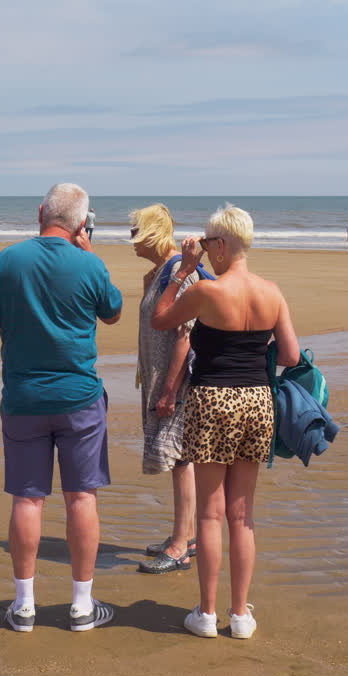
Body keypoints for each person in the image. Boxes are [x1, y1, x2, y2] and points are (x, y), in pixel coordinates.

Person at [0, 183, 123, 632]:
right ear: (82, 223)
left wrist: (7, 327)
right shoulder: (88, 263)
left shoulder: (8, 260)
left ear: (40, 212)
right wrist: (90, 253)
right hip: (78, 397)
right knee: (81, 497)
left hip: (23, 398)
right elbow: (112, 312)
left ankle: (24, 604)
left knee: (28, 499)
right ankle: (80, 604)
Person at [152, 204, 299, 639]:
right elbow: (290, 355)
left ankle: (206, 613)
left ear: (220, 244)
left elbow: (161, 318)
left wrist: (184, 271)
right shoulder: (271, 292)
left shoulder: (208, 292)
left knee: (211, 516)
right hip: (256, 399)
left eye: (208, 242)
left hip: (213, 399)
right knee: (243, 515)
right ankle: (240, 616)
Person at [129, 203, 198, 574]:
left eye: (135, 233)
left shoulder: (179, 272)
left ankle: (179, 547)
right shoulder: (160, 273)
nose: (131, 241)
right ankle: (184, 534)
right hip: (158, 378)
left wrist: (170, 389)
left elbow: (186, 338)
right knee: (177, 460)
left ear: (151, 233)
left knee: (180, 460)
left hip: (176, 382)